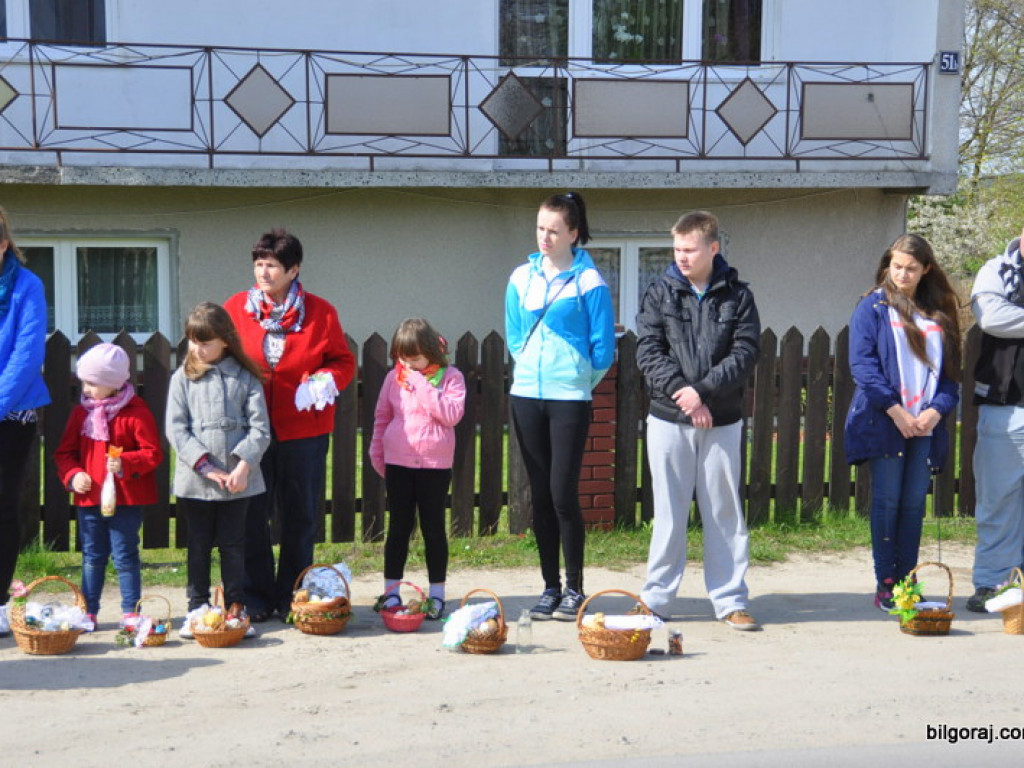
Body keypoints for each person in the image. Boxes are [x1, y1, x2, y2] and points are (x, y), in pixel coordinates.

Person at [636, 210, 761, 631]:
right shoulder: (659, 292)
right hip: (669, 419)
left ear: (713, 248)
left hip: (722, 420)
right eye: (676, 249)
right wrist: (686, 398)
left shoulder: (739, 297)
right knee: (669, 512)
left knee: (724, 512)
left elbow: (744, 354)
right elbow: (648, 351)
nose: (681, 257)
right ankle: (655, 600)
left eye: (689, 249)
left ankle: (729, 600)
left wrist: (703, 393)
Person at [224, 229, 355, 622]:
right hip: (251, 432)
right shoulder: (235, 309)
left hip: (305, 432)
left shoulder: (321, 312)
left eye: (273, 266)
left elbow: (343, 362)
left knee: (300, 515)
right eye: (259, 264)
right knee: (252, 514)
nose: (263, 273)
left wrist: (323, 381)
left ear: (293, 270)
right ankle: (256, 595)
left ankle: (294, 594)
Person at [505, 192, 616, 621]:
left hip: (570, 398)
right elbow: (515, 336)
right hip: (527, 396)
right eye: (540, 227)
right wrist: (532, 371)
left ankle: (575, 588)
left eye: (554, 229)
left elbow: (603, 350)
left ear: (573, 232)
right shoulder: (519, 277)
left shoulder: (590, 282)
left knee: (562, 494)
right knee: (539, 497)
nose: (545, 237)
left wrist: (573, 380)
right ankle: (549, 587)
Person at [844, 234, 961, 612]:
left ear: (926, 269)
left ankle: (908, 580)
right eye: (896, 266)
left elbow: (949, 378)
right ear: (887, 265)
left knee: (913, 505)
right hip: (887, 422)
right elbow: (863, 367)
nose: (902, 274)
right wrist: (897, 412)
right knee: (887, 502)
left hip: (924, 426)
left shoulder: (938, 310)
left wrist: (934, 412)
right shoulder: (873, 307)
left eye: (911, 268)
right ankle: (886, 584)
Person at [166, 303, 271, 636]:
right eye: (192, 341)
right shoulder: (181, 378)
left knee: (233, 545)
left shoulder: (247, 378)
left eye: (205, 342)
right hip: (196, 481)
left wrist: (243, 467)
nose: (197, 348)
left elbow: (260, 429)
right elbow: (176, 429)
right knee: (197, 545)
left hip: (238, 482)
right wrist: (206, 466)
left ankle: (235, 608)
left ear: (225, 340)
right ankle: (196, 607)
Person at [54, 344, 163, 629]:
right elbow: (64, 454)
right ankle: (88, 611)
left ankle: (131, 611)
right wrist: (73, 475)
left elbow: (153, 453)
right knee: (92, 555)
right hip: (90, 498)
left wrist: (126, 461)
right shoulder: (81, 414)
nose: (86, 389)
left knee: (125, 554)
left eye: (92, 384)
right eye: (84, 383)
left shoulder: (136, 414)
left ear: (113, 385)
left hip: (125, 499)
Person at [369, 318, 466, 619]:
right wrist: (377, 450)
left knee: (433, 528)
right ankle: (390, 592)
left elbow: (450, 415)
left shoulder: (451, 378)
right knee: (398, 527)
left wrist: (422, 384)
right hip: (398, 461)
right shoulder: (392, 379)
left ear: (431, 352)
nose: (408, 364)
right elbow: (382, 417)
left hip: (434, 466)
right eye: (403, 358)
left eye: (415, 358)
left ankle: (436, 594)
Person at [967, 226, 1024, 612]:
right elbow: (991, 316)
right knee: (997, 501)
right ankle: (993, 584)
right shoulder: (997, 269)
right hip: (1006, 406)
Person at [0, 210, 50, 637]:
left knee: (2, 507)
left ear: (2, 245)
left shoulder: (27, 286)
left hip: (11, 414)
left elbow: (27, 353)